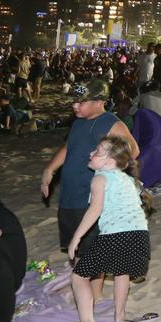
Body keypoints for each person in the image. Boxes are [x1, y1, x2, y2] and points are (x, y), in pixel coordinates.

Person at [41, 79, 140, 263]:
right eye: (74, 101)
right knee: (77, 249)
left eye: (81, 102)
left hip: (89, 197)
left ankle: (93, 291)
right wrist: (50, 169)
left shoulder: (110, 123)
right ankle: (84, 284)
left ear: (99, 102)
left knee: (93, 254)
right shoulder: (79, 122)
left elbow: (132, 150)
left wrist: (109, 174)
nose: (75, 106)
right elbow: (69, 147)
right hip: (70, 196)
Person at [67, 136, 150, 322]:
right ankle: (119, 316)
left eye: (97, 151)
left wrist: (76, 237)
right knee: (122, 272)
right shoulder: (128, 179)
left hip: (116, 235)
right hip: (139, 234)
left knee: (78, 276)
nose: (91, 153)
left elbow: (95, 210)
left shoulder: (100, 178)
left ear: (110, 160)